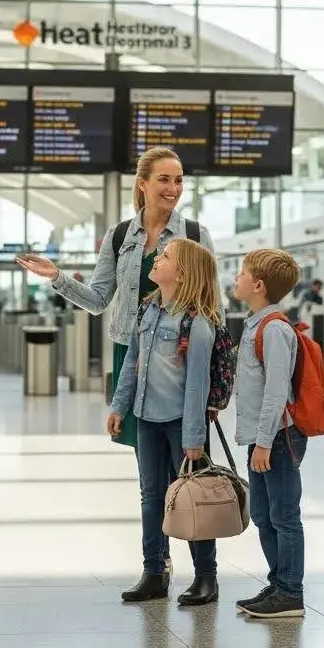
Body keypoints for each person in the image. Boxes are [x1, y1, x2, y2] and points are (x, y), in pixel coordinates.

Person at [15, 146, 216, 587]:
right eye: (164, 179)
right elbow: (99, 300)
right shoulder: (120, 234)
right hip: (132, 354)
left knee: (184, 467)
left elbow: (209, 304)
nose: (173, 188)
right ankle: (156, 567)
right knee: (150, 472)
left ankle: (203, 570)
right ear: (142, 184)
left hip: (179, 360)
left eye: (179, 180)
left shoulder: (194, 234)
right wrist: (58, 278)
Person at [106, 238, 220, 606]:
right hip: (146, 420)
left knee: (193, 499)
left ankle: (206, 576)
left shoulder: (198, 324)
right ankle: (153, 571)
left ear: (183, 273)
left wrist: (193, 437)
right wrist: (118, 407)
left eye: (166, 256)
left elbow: (197, 386)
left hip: (180, 425)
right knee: (151, 497)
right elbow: (131, 366)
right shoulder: (148, 310)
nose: (157, 258)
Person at [231, 248, 306, 619]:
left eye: (241, 273)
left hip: (276, 439)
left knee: (284, 515)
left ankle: (291, 591)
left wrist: (263, 442)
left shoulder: (274, 329)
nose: (236, 278)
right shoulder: (254, 324)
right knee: (263, 513)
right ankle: (278, 583)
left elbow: (277, 391)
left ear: (257, 285)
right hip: (260, 440)